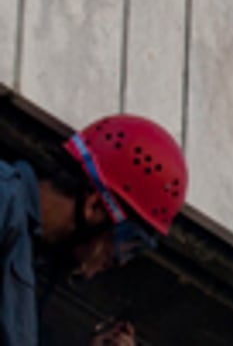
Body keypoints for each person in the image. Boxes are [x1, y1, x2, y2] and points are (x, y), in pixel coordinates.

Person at [0, 114, 188, 345]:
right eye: (129, 241)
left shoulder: (26, 257)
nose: (121, 261)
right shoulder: (4, 202)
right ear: (95, 206)